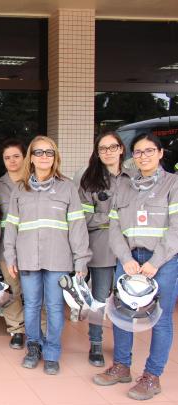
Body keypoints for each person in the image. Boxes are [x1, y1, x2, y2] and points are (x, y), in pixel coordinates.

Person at [93, 133, 178, 401]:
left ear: (160, 153)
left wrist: (155, 262)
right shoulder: (124, 187)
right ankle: (121, 366)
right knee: (122, 314)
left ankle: (152, 376)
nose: (143, 156)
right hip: (129, 259)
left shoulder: (172, 184)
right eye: (138, 152)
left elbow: (176, 229)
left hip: (161, 261)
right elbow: (115, 226)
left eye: (149, 151)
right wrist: (126, 258)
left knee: (160, 319)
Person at [4, 135, 91, 375]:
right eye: (39, 152)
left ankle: (52, 352)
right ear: (30, 158)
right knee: (31, 305)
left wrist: (81, 259)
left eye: (49, 153)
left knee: (53, 307)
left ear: (55, 158)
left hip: (58, 258)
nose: (44, 157)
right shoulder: (20, 189)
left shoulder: (67, 188)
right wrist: (10, 256)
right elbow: (11, 225)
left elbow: (77, 226)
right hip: (28, 258)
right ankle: (33, 347)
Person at [78, 132, 128, 367]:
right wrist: (113, 218)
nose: (107, 152)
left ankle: (123, 345)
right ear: (97, 153)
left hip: (131, 250)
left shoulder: (134, 178)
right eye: (102, 148)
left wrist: (110, 218)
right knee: (98, 298)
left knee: (126, 299)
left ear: (121, 149)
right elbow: (84, 217)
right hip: (101, 248)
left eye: (112, 147)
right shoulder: (90, 180)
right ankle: (96, 343)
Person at [0, 139, 41, 350]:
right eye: (7, 158)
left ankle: (38, 328)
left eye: (16, 156)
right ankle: (16, 329)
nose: (12, 161)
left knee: (34, 291)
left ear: (25, 158)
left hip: (34, 247)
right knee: (12, 290)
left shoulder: (37, 182)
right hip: (7, 247)